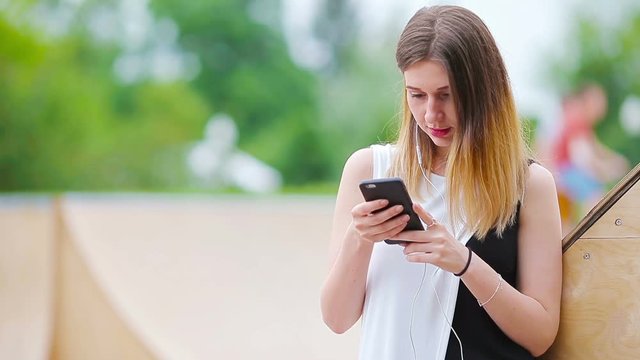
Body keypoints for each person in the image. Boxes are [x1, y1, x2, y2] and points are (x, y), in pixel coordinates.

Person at [320, 6, 563, 360]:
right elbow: (337, 319)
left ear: (483, 90)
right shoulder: (368, 168)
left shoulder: (529, 186)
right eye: (416, 94)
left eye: (446, 95)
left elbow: (540, 335)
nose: (431, 114)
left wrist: (465, 263)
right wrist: (360, 238)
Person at [550, 84, 629, 234]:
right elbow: (582, 158)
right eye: (599, 103)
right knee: (596, 195)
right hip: (564, 171)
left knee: (594, 191)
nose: (602, 108)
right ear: (588, 102)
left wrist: (614, 160)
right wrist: (605, 170)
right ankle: (592, 233)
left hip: (566, 170)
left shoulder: (583, 123)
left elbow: (596, 148)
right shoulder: (577, 120)